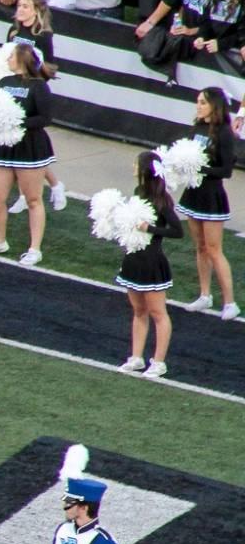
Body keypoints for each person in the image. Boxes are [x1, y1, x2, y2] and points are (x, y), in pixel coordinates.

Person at [0, 42, 55, 264]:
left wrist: (16, 122)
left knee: (33, 199)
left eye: (11, 56)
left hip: (30, 146)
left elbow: (45, 118)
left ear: (22, 58)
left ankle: (35, 249)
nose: (7, 60)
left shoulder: (39, 86)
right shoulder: (4, 82)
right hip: (4, 146)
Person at [112, 150, 182, 378]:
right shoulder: (137, 192)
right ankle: (136, 357)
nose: (133, 167)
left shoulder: (162, 200)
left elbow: (177, 231)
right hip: (133, 259)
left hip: (152, 262)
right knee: (138, 310)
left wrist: (149, 228)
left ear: (144, 170)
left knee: (157, 313)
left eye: (136, 164)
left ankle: (159, 362)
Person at [3, 0, 69, 215]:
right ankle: (35, 191)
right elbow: (5, 58)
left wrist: (34, 78)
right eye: (19, 5)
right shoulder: (13, 31)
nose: (20, 10)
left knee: (27, 147)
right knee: (17, 145)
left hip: (32, 92)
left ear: (36, 10)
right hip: (13, 90)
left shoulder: (43, 35)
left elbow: (50, 66)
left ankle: (53, 186)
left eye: (25, 6)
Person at [180, 88, 239, 320]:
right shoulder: (198, 128)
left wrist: (200, 169)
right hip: (193, 194)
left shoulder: (224, 133)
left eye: (203, 102)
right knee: (201, 247)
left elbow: (226, 171)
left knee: (214, 250)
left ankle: (230, 303)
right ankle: (205, 295)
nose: (198, 106)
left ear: (214, 105)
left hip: (212, 197)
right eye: (197, 101)